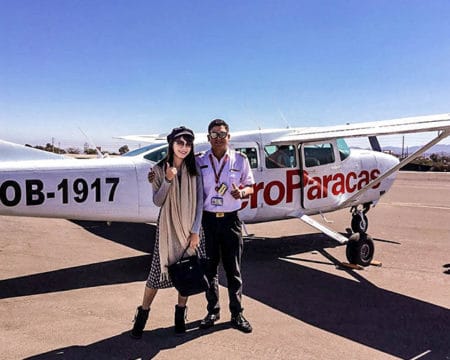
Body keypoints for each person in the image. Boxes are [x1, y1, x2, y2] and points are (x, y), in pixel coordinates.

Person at [130, 126, 204, 339]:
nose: (184, 147)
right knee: (155, 275)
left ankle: (180, 316)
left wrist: (196, 231)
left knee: (187, 273)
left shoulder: (195, 168)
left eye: (188, 143)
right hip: (168, 229)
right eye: (179, 143)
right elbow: (157, 201)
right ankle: (142, 314)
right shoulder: (159, 169)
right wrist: (169, 179)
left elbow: (199, 201)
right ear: (171, 144)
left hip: (190, 228)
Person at [196, 119, 255, 333]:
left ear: (229, 137)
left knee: (233, 270)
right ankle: (213, 311)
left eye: (222, 134)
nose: (218, 138)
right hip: (208, 221)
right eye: (214, 134)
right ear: (208, 138)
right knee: (209, 269)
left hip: (231, 220)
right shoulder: (199, 160)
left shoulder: (240, 160)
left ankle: (237, 313)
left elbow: (250, 185)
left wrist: (243, 192)